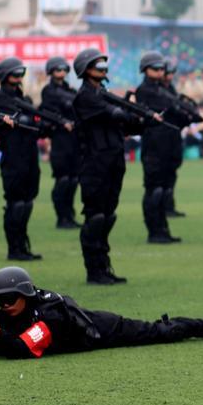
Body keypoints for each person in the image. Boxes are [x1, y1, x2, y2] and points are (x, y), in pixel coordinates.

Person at [0, 266, 203, 359]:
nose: (4, 306)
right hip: (86, 326)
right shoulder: (17, 312)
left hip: (103, 329)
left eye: (10, 299)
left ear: (25, 295)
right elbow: (4, 339)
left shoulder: (48, 316)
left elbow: (18, 349)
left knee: (162, 332)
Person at [72, 48, 150, 284]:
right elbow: (112, 114)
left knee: (108, 216)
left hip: (113, 162)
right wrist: (130, 110)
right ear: (85, 71)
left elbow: (124, 125)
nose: (103, 71)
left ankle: (104, 267)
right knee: (95, 217)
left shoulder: (103, 94)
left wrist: (141, 119)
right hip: (94, 164)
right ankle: (93, 270)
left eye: (105, 68)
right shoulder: (85, 97)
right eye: (98, 67)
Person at [0, 57, 51, 261]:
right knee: (15, 203)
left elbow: (36, 125)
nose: (19, 78)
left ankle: (22, 245)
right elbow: (17, 122)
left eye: (20, 74)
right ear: (5, 76)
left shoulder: (25, 100)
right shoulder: (0, 99)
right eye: (15, 74)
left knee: (27, 202)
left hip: (29, 156)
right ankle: (14, 248)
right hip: (13, 157)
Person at [135, 51, 184, 244]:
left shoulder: (165, 89)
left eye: (162, 68)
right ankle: (154, 231)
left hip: (168, 145)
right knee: (154, 190)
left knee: (163, 190)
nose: (161, 72)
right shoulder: (145, 90)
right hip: (154, 147)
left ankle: (163, 229)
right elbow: (167, 106)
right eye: (156, 68)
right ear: (145, 70)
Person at [40, 56, 81, 229]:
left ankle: (69, 215)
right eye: (58, 69)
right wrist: (62, 121)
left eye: (64, 69)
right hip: (60, 139)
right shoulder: (48, 91)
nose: (61, 72)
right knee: (63, 180)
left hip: (74, 140)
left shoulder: (71, 90)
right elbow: (47, 112)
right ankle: (61, 217)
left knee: (73, 180)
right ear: (51, 72)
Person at [162, 58, 186, 218]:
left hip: (174, 136)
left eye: (171, 73)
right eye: (167, 73)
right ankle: (162, 207)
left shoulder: (171, 89)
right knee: (161, 178)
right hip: (161, 138)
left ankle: (169, 206)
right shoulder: (154, 90)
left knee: (171, 174)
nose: (169, 76)